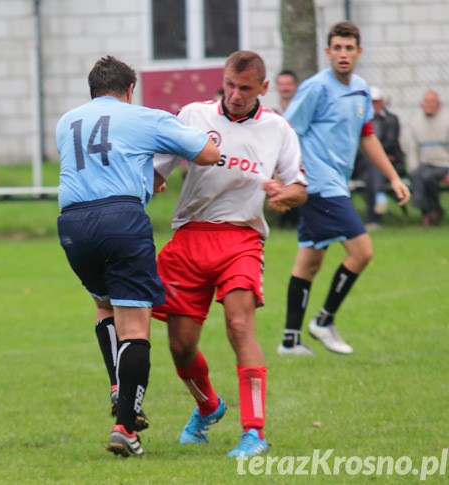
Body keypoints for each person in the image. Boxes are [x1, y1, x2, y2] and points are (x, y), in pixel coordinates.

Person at [56, 55, 219, 457]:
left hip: (73, 224)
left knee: (104, 306)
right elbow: (207, 154)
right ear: (130, 91)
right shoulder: (146, 117)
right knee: (135, 325)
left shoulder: (67, 122)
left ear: (92, 90)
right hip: (121, 219)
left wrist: (142, 173)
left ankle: (118, 387)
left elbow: (103, 160)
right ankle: (125, 427)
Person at [151, 51, 307, 458]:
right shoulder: (192, 117)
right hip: (190, 237)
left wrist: (282, 193)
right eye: (230, 86)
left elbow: (298, 187)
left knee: (240, 326)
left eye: (246, 89)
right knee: (181, 347)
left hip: (241, 238)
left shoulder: (277, 129)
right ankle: (208, 406)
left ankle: (254, 432)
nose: (235, 96)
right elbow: (156, 172)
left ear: (263, 89)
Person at [277, 21, 410, 357]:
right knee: (362, 251)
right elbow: (286, 132)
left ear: (359, 52)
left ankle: (290, 340)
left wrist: (393, 178)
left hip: (336, 183)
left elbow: (366, 135)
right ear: (327, 52)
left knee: (308, 262)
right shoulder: (315, 89)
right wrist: (285, 177)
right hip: (320, 186)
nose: (343, 54)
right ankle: (324, 321)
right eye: (337, 48)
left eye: (349, 48)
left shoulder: (362, 89)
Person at [352, 87, 406, 230]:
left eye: (375, 102)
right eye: (369, 102)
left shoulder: (391, 119)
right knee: (372, 167)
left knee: (373, 168)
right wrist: (373, 155)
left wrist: (376, 153)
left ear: (381, 102)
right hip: (364, 164)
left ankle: (373, 218)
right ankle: (379, 197)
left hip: (391, 163)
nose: (372, 105)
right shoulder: (358, 120)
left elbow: (391, 142)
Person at [406, 89, 449, 227]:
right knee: (417, 175)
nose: (429, 105)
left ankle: (432, 211)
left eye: (433, 102)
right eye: (427, 102)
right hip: (425, 164)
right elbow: (412, 149)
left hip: (444, 164)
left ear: (439, 105)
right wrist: (413, 168)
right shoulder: (415, 122)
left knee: (427, 177)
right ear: (421, 105)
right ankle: (429, 211)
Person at [272, 69, 302, 228]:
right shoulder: (272, 113)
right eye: (282, 84)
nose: (285, 88)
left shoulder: (302, 110)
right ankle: (282, 218)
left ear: (295, 86)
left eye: (288, 84)